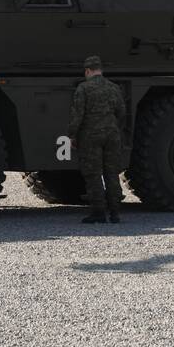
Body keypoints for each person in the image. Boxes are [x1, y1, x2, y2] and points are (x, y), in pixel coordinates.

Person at [67, 55, 128, 224]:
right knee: (111, 172)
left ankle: (98, 212)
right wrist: (116, 128)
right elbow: (122, 113)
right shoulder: (114, 88)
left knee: (93, 174)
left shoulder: (83, 88)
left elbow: (77, 115)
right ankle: (115, 212)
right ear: (100, 70)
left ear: (87, 71)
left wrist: (72, 134)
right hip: (112, 134)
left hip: (91, 136)